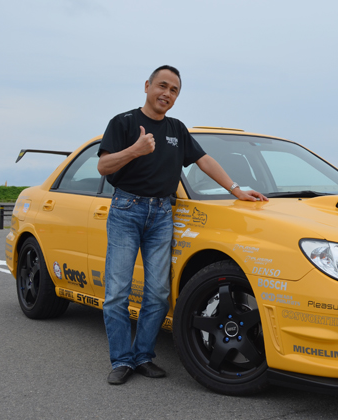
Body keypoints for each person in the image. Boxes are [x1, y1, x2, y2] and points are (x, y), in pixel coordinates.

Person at [97, 65, 268, 385]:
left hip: (162, 213)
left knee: (159, 293)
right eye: (162, 86)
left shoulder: (176, 129)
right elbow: (103, 165)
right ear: (147, 86)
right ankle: (121, 360)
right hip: (126, 210)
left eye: (174, 90)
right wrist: (135, 150)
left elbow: (204, 160)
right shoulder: (123, 122)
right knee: (117, 292)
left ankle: (143, 356)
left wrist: (236, 190)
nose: (167, 94)